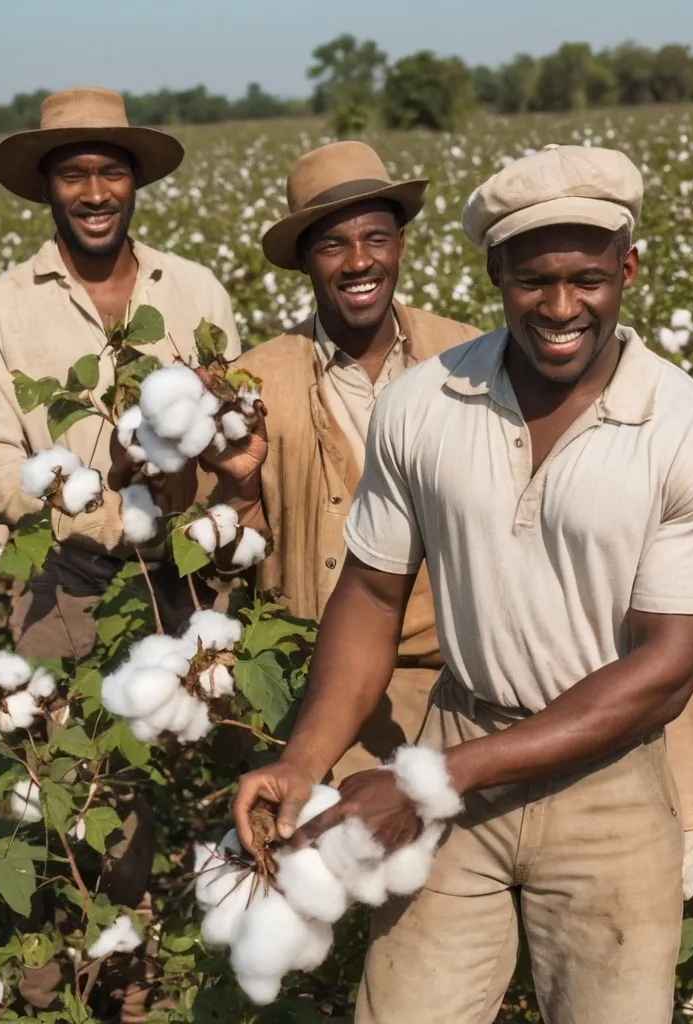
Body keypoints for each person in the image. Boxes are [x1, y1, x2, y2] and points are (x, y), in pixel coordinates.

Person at [233, 144, 693, 1023]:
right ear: (495, 273)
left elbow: (667, 671)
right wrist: (303, 759)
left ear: (628, 269)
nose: (561, 307)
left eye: (587, 278)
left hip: (607, 783)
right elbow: (369, 595)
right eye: (533, 281)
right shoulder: (425, 406)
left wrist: (427, 781)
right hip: (460, 731)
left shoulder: (691, 437)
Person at [204, 141, 479, 777]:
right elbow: (222, 565)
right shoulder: (251, 385)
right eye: (333, 245)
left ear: (401, 244)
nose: (360, 261)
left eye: (376, 239)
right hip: (325, 696)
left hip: (461, 691)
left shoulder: (470, 358)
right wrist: (239, 492)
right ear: (304, 261)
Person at [0, 86, 240, 659]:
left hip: (192, 578)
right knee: (78, 743)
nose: (96, 193)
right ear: (47, 187)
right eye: (73, 175)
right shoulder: (4, 307)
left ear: (135, 181)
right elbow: (1, 463)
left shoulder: (196, 290)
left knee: (204, 739)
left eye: (112, 173)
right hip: (61, 589)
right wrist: (99, 512)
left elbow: (229, 431)